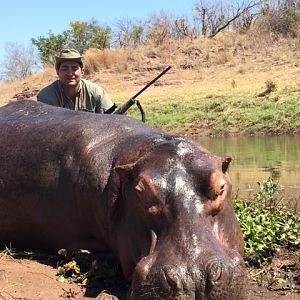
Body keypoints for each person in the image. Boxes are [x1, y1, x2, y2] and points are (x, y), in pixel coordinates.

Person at [37, 48, 116, 113]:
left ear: (82, 72)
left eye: (74, 68)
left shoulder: (96, 92)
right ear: (57, 72)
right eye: (65, 69)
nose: (70, 73)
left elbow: (113, 118)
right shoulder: (46, 96)